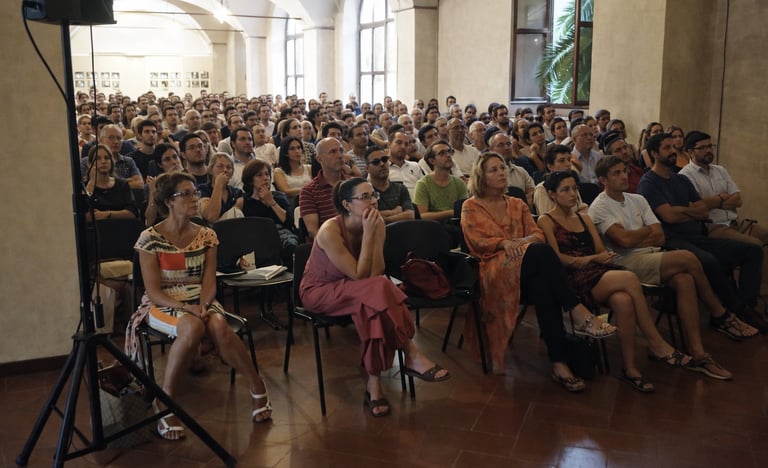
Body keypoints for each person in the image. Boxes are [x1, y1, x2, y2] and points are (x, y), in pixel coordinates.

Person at [126, 172, 271, 440]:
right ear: (169, 201)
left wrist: (203, 305)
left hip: (200, 300)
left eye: (195, 192)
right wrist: (188, 309)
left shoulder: (206, 235)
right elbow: (153, 292)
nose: (195, 198)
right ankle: (166, 401)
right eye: (187, 194)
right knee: (192, 327)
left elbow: (208, 283)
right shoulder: (150, 238)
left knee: (217, 324)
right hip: (162, 303)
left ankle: (257, 385)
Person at [461, 153, 616, 387]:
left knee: (545, 287)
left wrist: (521, 244)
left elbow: (537, 233)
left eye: (502, 167)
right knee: (542, 254)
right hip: (493, 267)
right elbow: (477, 241)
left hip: (527, 267)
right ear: (480, 176)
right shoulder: (471, 206)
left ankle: (559, 363)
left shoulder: (517, 203)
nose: (502, 172)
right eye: (493, 170)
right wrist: (505, 243)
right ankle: (577, 311)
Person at [300, 178, 450, 417]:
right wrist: (369, 234)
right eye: (365, 197)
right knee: (375, 291)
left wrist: (372, 231)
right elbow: (361, 276)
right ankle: (410, 352)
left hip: (360, 289)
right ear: (347, 205)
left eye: (374, 195)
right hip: (321, 290)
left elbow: (376, 272)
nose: (373, 201)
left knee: (372, 304)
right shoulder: (330, 231)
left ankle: (374, 385)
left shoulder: (376, 222)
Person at [589, 156, 748, 377]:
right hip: (624, 263)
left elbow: (660, 235)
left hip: (652, 255)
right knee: (687, 258)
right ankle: (720, 313)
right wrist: (644, 234)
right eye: (616, 173)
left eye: (624, 171)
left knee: (685, 279)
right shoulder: (599, 206)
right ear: (603, 180)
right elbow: (623, 242)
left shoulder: (637, 199)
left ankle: (698, 352)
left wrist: (638, 236)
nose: (624, 176)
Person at [538, 171, 694, 393]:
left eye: (575, 188)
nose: (573, 194)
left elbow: (602, 251)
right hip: (571, 281)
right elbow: (557, 259)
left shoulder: (584, 217)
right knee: (629, 278)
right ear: (552, 194)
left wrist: (597, 258)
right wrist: (591, 259)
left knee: (623, 301)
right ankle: (655, 342)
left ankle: (630, 369)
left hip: (597, 273)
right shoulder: (547, 219)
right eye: (565, 190)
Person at [638, 132, 766, 331]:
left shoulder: (680, 180)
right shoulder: (648, 182)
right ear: (654, 153)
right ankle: (730, 312)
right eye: (667, 148)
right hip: (672, 240)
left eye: (674, 147)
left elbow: (703, 210)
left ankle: (746, 306)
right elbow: (670, 218)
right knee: (709, 261)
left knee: (752, 251)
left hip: (699, 234)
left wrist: (682, 210)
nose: (673, 151)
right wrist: (690, 211)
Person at [241, 159, 298, 264]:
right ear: (250, 180)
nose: (265, 178)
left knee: (291, 244)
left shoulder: (279, 197)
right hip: (256, 235)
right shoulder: (245, 201)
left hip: (281, 233)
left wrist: (271, 202)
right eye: (259, 175)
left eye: (267, 174)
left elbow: (288, 222)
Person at [364, 146, 415, 223]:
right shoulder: (365, 192)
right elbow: (368, 217)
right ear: (367, 168)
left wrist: (384, 218)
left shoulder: (400, 188)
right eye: (376, 162)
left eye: (384, 160)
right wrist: (394, 212)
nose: (382, 164)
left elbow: (410, 216)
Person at [198, 153, 244, 223]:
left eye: (228, 167)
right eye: (220, 166)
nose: (225, 170)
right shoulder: (202, 189)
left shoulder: (237, 193)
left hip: (231, 229)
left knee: (236, 212)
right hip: (209, 230)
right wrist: (219, 184)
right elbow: (211, 216)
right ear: (210, 170)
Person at [273, 136, 312, 204]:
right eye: (292, 149)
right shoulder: (279, 171)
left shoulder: (309, 168)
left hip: (311, 202)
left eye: (299, 147)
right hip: (292, 205)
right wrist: (308, 190)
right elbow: (286, 191)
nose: (297, 151)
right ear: (285, 152)